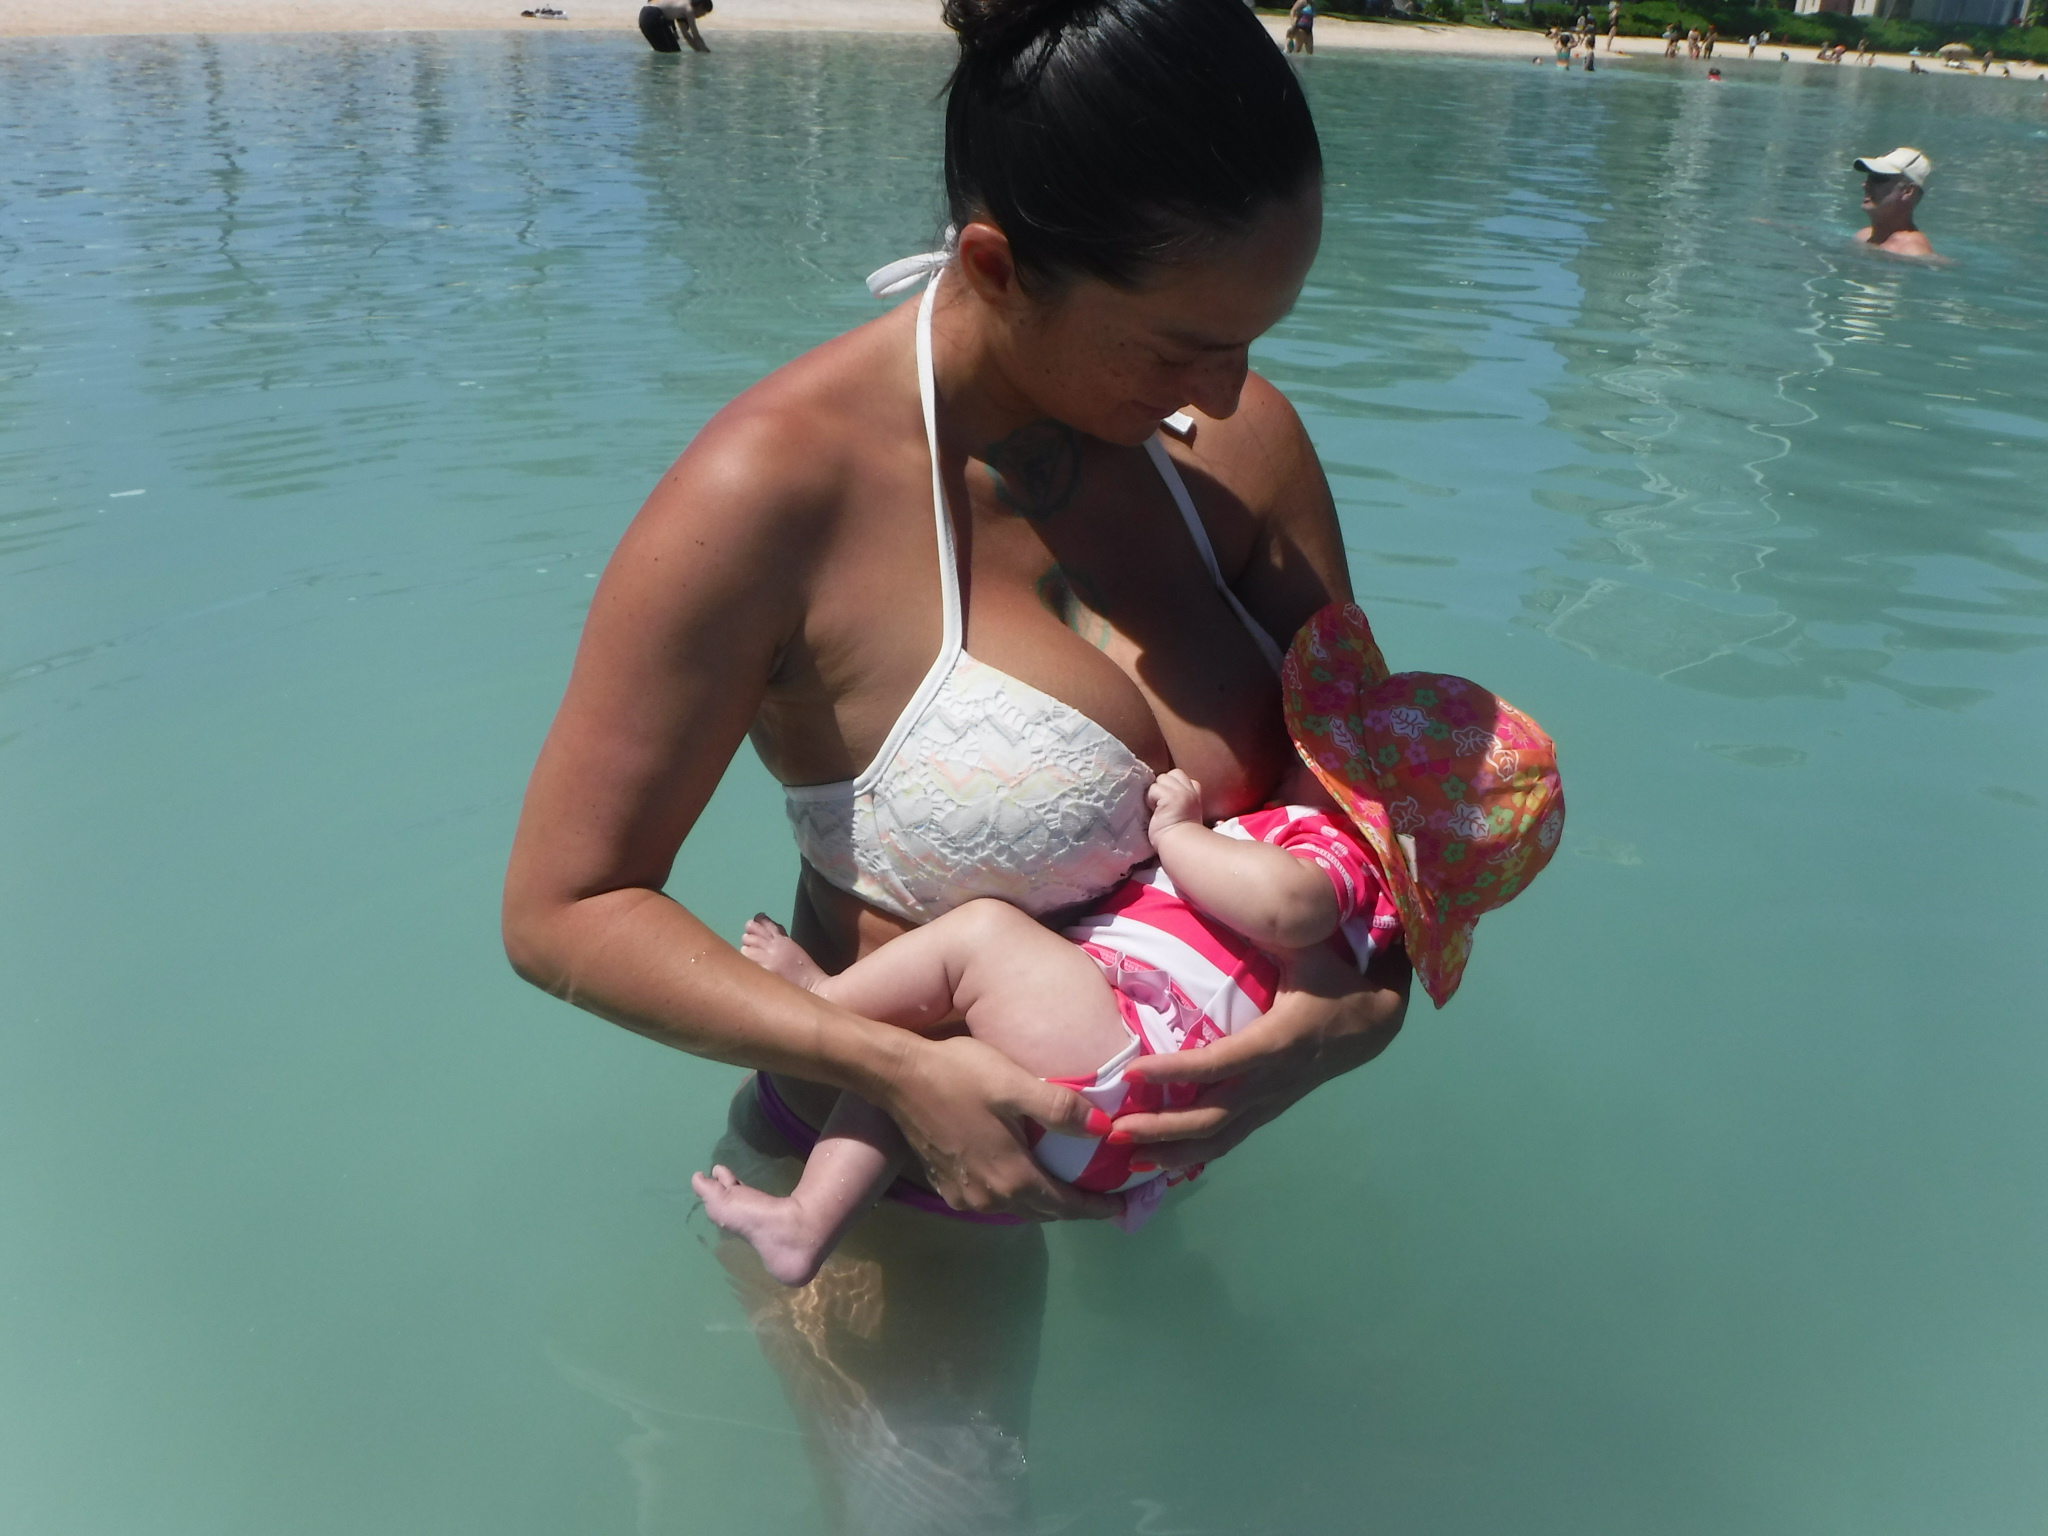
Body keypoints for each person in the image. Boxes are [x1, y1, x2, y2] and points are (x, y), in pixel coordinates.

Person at [501, 0, 1411, 1524]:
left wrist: (1344, 1023)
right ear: (994, 266)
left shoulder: (1241, 454)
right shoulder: (774, 494)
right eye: (1182, 345)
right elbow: (560, 910)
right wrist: (899, 1071)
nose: (1228, 393)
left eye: (1256, 336)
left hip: (1150, 1119)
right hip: (889, 1170)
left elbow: (1381, 816)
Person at [695, 606, 1564, 1286]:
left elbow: (1287, 907)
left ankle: (820, 1005)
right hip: (1123, 1119)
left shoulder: (1328, 853)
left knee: (980, 940)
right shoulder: (1369, 930)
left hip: (1123, 1052)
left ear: (1351, 791)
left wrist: (1180, 833)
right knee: (924, 1066)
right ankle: (808, 1221)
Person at [1853, 146, 1936, 257]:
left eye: (1878, 179)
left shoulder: (1911, 252)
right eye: (1869, 177)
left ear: (1907, 191)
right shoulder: (1863, 236)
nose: (1865, 185)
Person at [637, 0, 711, 52]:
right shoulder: (689, 9)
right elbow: (696, 36)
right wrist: (706, 52)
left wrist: (697, 50)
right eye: (704, 12)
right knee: (673, 52)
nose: (703, 15)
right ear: (700, 6)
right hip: (653, 15)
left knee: (665, 50)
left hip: (644, 16)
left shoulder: (681, 8)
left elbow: (686, 35)